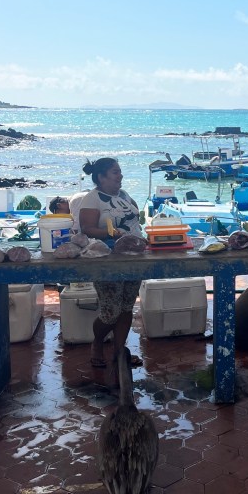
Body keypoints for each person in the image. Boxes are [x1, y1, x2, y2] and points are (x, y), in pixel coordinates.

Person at [78, 158, 144, 369]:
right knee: (110, 311)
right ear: (101, 177)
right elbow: (87, 228)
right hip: (107, 260)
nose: (120, 175)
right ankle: (97, 343)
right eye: (115, 172)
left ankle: (119, 351)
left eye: (120, 171)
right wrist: (110, 232)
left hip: (133, 257)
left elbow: (135, 220)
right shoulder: (92, 198)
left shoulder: (124, 195)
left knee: (126, 307)